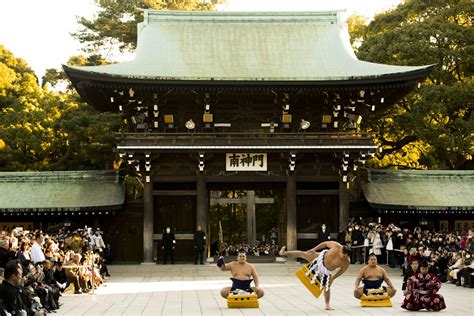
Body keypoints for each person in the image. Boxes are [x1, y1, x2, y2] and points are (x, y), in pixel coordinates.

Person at [279, 241, 351, 310]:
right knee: (303, 254)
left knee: (327, 287)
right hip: (319, 258)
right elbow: (325, 244)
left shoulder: (346, 262)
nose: (343, 258)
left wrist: (333, 278)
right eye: (343, 256)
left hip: (326, 271)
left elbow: (341, 271)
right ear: (341, 250)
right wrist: (314, 249)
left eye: (345, 257)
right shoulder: (336, 246)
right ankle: (284, 253)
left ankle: (327, 305)